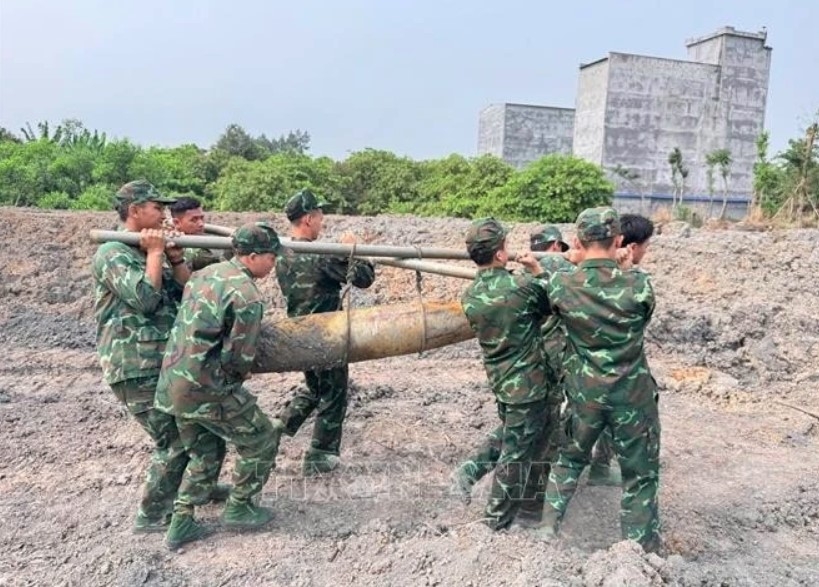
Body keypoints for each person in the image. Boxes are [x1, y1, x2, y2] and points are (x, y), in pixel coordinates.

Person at [536, 207, 661, 553]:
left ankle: (547, 532)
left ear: (576, 241)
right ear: (620, 240)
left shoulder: (562, 285)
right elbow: (643, 314)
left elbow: (555, 287)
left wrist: (577, 262)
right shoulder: (639, 284)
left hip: (584, 394)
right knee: (640, 475)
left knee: (569, 460)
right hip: (632, 396)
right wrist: (621, 267)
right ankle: (639, 550)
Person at [154, 222, 286, 549]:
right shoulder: (247, 295)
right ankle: (240, 507)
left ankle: (181, 521)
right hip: (204, 388)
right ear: (253, 256)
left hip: (173, 383)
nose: (274, 264)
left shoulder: (205, 274)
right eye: (272, 257)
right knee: (263, 436)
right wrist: (236, 382)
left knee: (205, 450)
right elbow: (238, 357)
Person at [450, 224, 571, 523]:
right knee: (515, 454)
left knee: (521, 436)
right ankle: (495, 519)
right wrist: (538, 270)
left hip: (504, 381)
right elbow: (558, 301)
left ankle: (527, 506)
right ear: (501, 252)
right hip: (528, 384)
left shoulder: (471, 295)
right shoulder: (519, 288)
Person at [91, 179, 193, 533]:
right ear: (134, 211)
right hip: (134, 366)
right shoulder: (112, 253)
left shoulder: (149, 251)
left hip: (162, 360)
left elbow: (189, 295)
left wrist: (175, 258)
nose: (163, 213)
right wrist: (154, 254)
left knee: (187, 431)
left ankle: (190, 493)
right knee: (175, 438)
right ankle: (151, 516)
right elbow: (146, 300)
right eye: (155, 207)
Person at [275, 189, 375, 476]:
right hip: (325, 336)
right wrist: (354, 250)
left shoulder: (283, 254)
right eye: (319, 216)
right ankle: (321, 455)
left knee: (315, 389)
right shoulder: (320, 256)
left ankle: (278, 428)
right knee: (333, 393)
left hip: (297, 333)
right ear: (307, 218)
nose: (323, 222)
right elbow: (363, 280)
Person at [585, 213, 655, 486]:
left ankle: (600, 466)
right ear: (631, 246)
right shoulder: (633, 282)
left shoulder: (591, 275)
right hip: (608, 367)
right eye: (646, 246)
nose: (646, 252)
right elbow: (637, 318)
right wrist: (628, 274)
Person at [169, 196, 230, 271]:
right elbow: (223, 270)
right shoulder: (198, 253)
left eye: (202, 218)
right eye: (194, 220)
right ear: (176, 222)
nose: (201, 224)